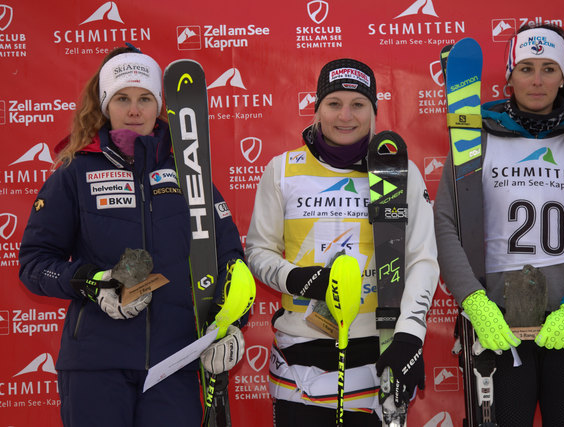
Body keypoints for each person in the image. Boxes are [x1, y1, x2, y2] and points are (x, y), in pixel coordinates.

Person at [18, 45, 246, 427]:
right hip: (96, 367)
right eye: (122, 98)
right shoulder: (74, 173)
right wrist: (95, 283)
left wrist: (232, 325)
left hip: (175, 364)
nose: (134, 110)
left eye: (145, 98)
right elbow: (35, 262)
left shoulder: (192, 174)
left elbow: (231, 262)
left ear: (160, 105)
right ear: (106, 104)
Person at [434, 24, 564, 426]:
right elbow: (446, 223)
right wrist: (474, 302)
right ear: (509, 75)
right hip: (495, 322)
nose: (537, 80)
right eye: (526, 68)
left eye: (549, 68)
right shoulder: (475, 137)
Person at [245, 58, 439, 425]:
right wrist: (296, 278)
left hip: (379, 349)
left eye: (358, 104)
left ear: (374, 111)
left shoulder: (398, 170)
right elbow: (258, 251)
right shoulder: (283, 169)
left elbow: (421, 259)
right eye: (334, 103)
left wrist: (410, 336)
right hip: (299, 352)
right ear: (317, 109)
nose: (345, 116)